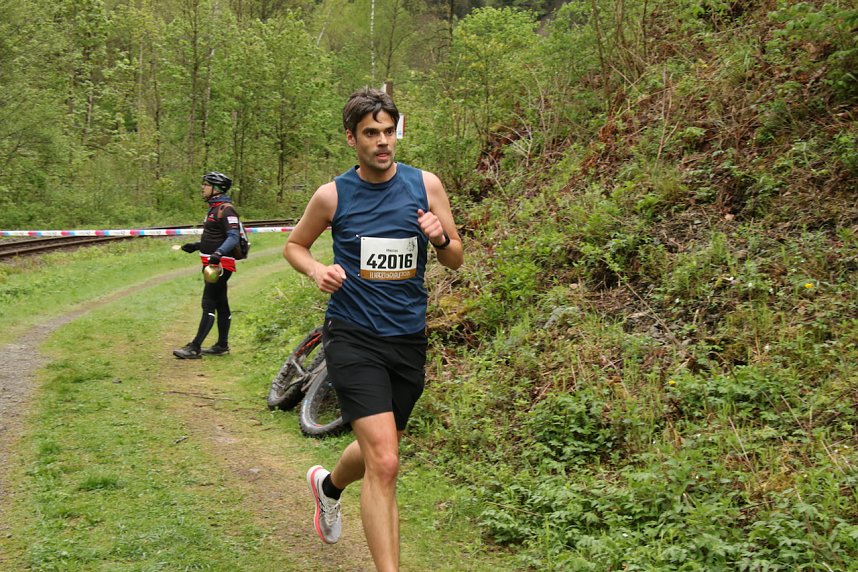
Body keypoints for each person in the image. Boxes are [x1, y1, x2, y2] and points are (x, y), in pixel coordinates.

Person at [284, 88, 463, 571]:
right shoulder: (333, 195)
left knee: (381, 448)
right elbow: (294, 246)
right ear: (351, 139)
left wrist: (440, 238)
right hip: (353, 335)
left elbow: (456, 258)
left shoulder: (426, 185)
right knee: (385, 461)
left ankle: (328, 485)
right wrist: (316, 269)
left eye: (389, 132)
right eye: (371, 134)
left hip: (407, 338)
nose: (383, 142)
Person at [173, 171, 242, 359]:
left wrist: (218, 254)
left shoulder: (226, 209)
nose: (203, 188)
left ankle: (194, 347)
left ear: (216, 188)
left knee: (208, 303)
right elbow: (214, 236)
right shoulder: (214, 208)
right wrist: (197, 246)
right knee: (221, 304)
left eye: (206, 184)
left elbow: (233, 236)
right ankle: (222, 345)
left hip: (220, 266)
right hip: (212, 263)